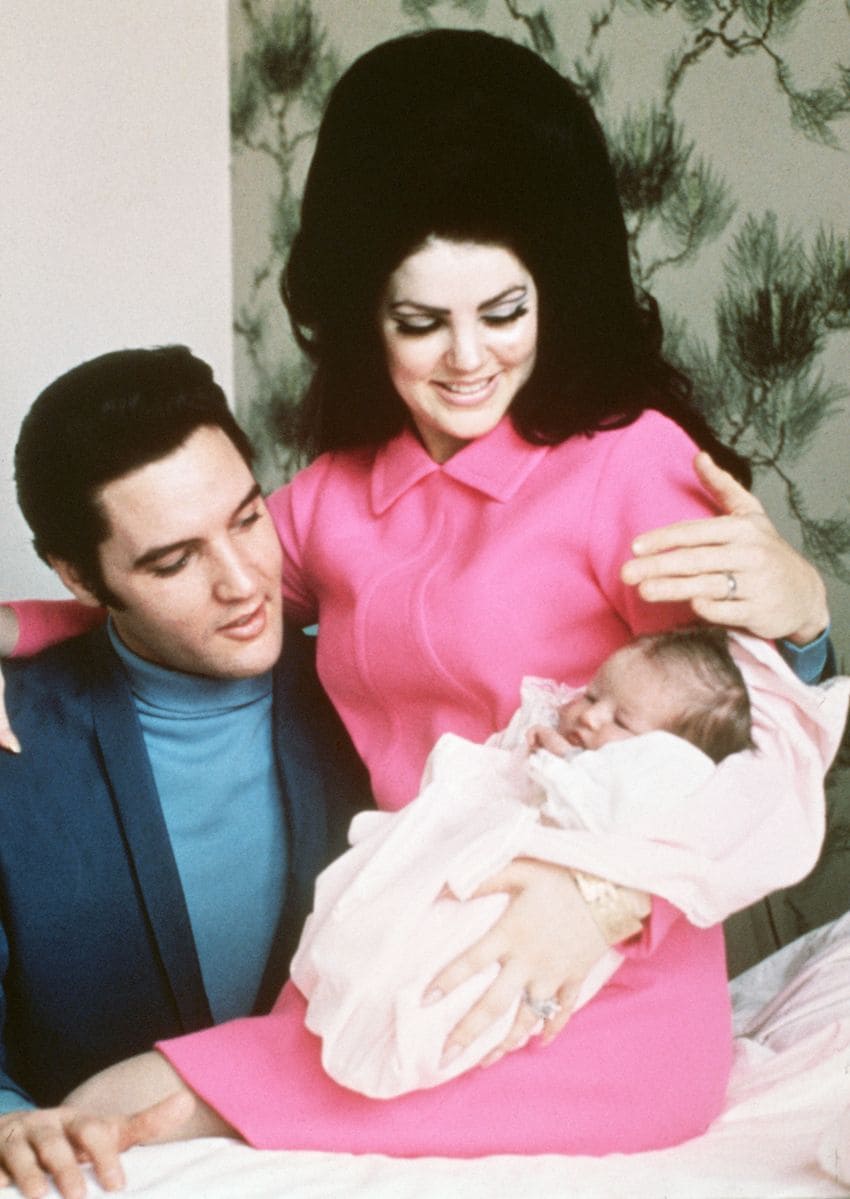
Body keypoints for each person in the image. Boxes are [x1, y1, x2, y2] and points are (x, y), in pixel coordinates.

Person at [0, 27, 841, 1196]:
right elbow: (178, 593)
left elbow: (773, 746)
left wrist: (601, 898)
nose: (466, 362)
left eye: (504, 310)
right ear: (362, 313)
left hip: (596, 986)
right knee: (119, 1104)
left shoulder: (631, 468)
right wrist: (11, 634)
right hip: (390, 958)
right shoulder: (335, 496)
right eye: (418, 322)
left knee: (166, 1105)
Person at [0, 346, 369, 1199]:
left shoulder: (369, 689)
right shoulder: (14, 736)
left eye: (247, 518)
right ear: (77, 576)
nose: (244, 584)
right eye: (173, 562)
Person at [292, 626, 769, 1099]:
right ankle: (365, 1003)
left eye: (622, 722)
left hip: (557, 905)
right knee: (388, 934)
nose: (589, 716)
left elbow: (612, 814)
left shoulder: (671, 779)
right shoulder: (559, 740)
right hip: (491, 865)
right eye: (592, 695)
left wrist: (562, 767)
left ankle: (407, 1035)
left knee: (461, 971)